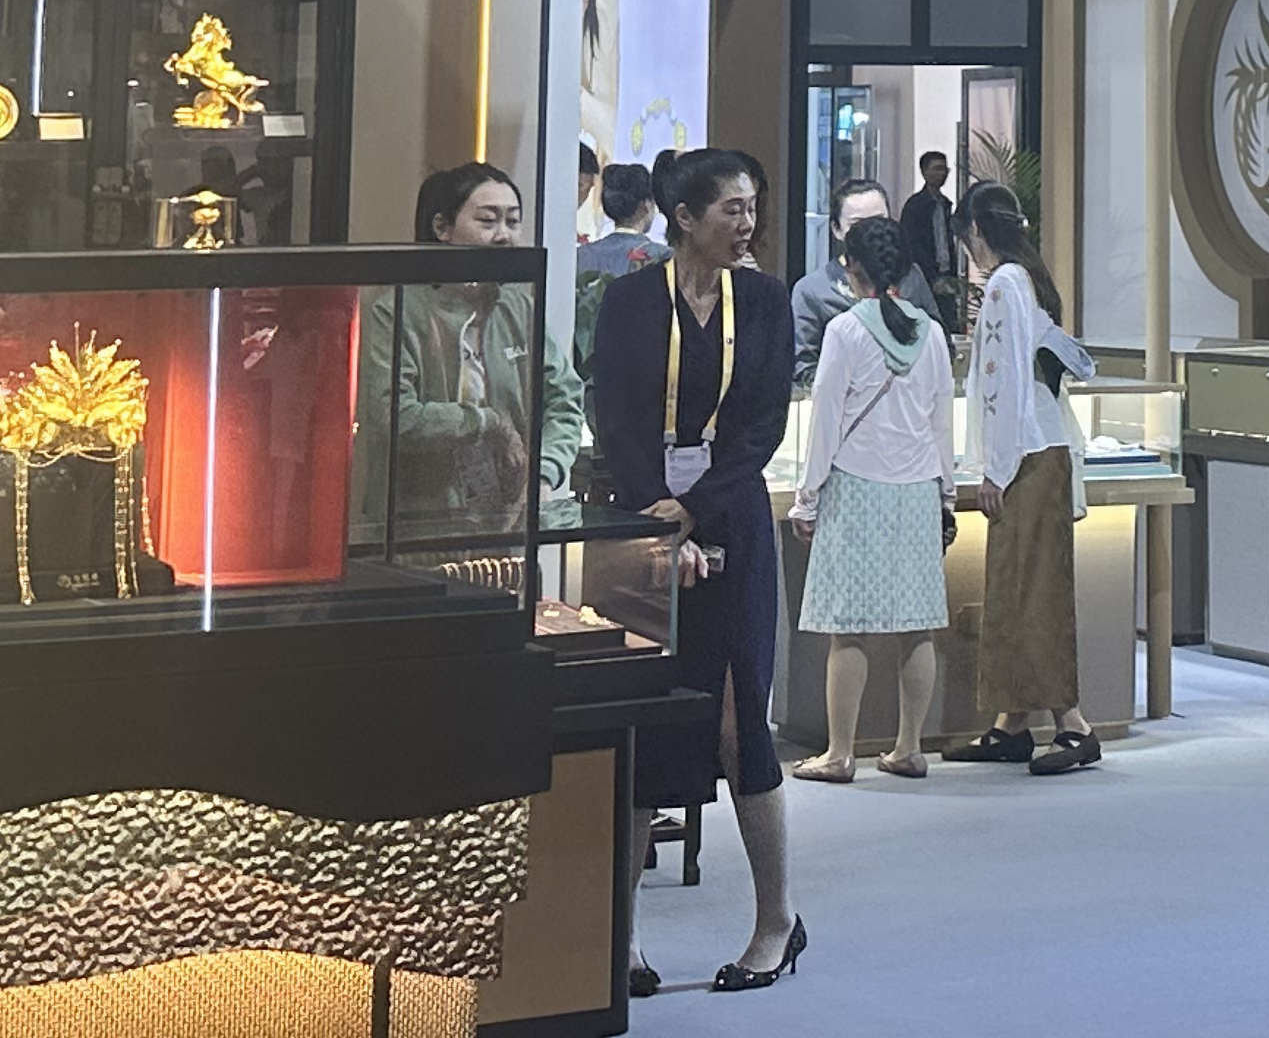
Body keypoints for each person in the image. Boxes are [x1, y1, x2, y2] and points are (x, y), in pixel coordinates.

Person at [593, 146, 806, 992]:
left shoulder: (766, 300)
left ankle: (776, 922)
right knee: (645, 716)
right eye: (732, 209)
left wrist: (696, 511)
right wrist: (659, 515)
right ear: (685, 218)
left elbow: (761, 427)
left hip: (733, 522)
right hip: (644, 524)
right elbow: (615, 415)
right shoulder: (629, 300)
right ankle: (620, 937)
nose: (747, 223)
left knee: (738, 718)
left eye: (753, 207)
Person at [785, 214, 956, 782]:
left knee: (849, 629)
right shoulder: (931, 333)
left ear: (851, 268)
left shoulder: (846, 330)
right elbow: (941, 421)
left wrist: (807, 498)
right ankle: (909, 747)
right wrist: (946, 494)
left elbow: (826, 422)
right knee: (917, 626)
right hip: (917, 490)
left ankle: (840, 752)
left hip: (856, 487)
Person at [945, 179, 1100, 776]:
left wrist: (996, 467)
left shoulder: (1004, 284)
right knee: (1015, 589)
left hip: (1027, 457)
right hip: (1038, 451)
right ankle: (1012, 723)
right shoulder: (1027, 280)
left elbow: (1003, 380)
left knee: (1032, 591)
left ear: (974, 232)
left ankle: (1073, 725)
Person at [391, 161, 586, 533]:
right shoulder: (400, 310)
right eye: (488, 220)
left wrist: (543, 473)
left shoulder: (519, 307)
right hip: (423, 529)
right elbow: (397, 416)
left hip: (508, 527)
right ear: (442, 228)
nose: (504, 236)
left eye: (513, 221)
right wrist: (488, 422)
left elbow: (564, 400)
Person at [791, 177, 894, 395]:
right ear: (836, 229)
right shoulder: (812, 290)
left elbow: (940, 344)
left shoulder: (911, 278)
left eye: (879, 221)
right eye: (857, 225)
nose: (870, 233)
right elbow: (804, 367)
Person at [573, 159, 666, 380]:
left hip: (585, 371)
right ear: (646, 205)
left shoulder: (580, 256)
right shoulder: (662, 257)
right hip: (644, 370)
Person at [898, 152, 960, 325]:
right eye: (937, 169)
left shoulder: (945, 204)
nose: (942, 174)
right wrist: (929, 274)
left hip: (946, 274)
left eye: (944, 169)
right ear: (924, 172)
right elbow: (911, 243)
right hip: (924, 275)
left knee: (948, 321)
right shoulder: (915, 205)